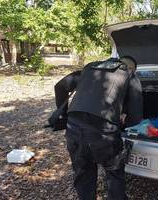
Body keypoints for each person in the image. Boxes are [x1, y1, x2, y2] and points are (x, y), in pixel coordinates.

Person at [54, 56, 143, 200]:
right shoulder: (130, 75)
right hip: (104, 135)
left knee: (83, 175)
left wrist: (64, 117)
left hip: (74, 129)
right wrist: (122, 125)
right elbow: (136, 117)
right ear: (132, 68)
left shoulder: (90, 69)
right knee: (114, 174)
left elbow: (59, 86)